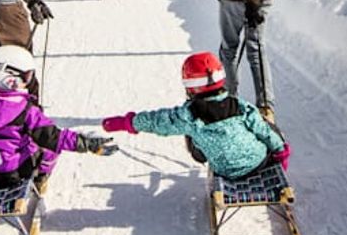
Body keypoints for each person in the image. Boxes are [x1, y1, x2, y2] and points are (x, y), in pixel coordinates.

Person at [101, 51, 288, 179]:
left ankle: (211, 152)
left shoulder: (188, 115)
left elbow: (156, 121)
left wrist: (128, 122)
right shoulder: (239, 106)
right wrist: (280, 151)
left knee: (192, 133)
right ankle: (277, 154)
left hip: (226, 171)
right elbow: (263, 131)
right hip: (259, 162)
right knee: (264, 124)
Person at [0, 45, 115, 189]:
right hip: (14, 173)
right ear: (11, 80)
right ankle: (40, 178)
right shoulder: (25, 109)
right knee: (49, 148)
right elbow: (54, 137)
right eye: (27, 76)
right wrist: (86, 143)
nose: (28, 81)